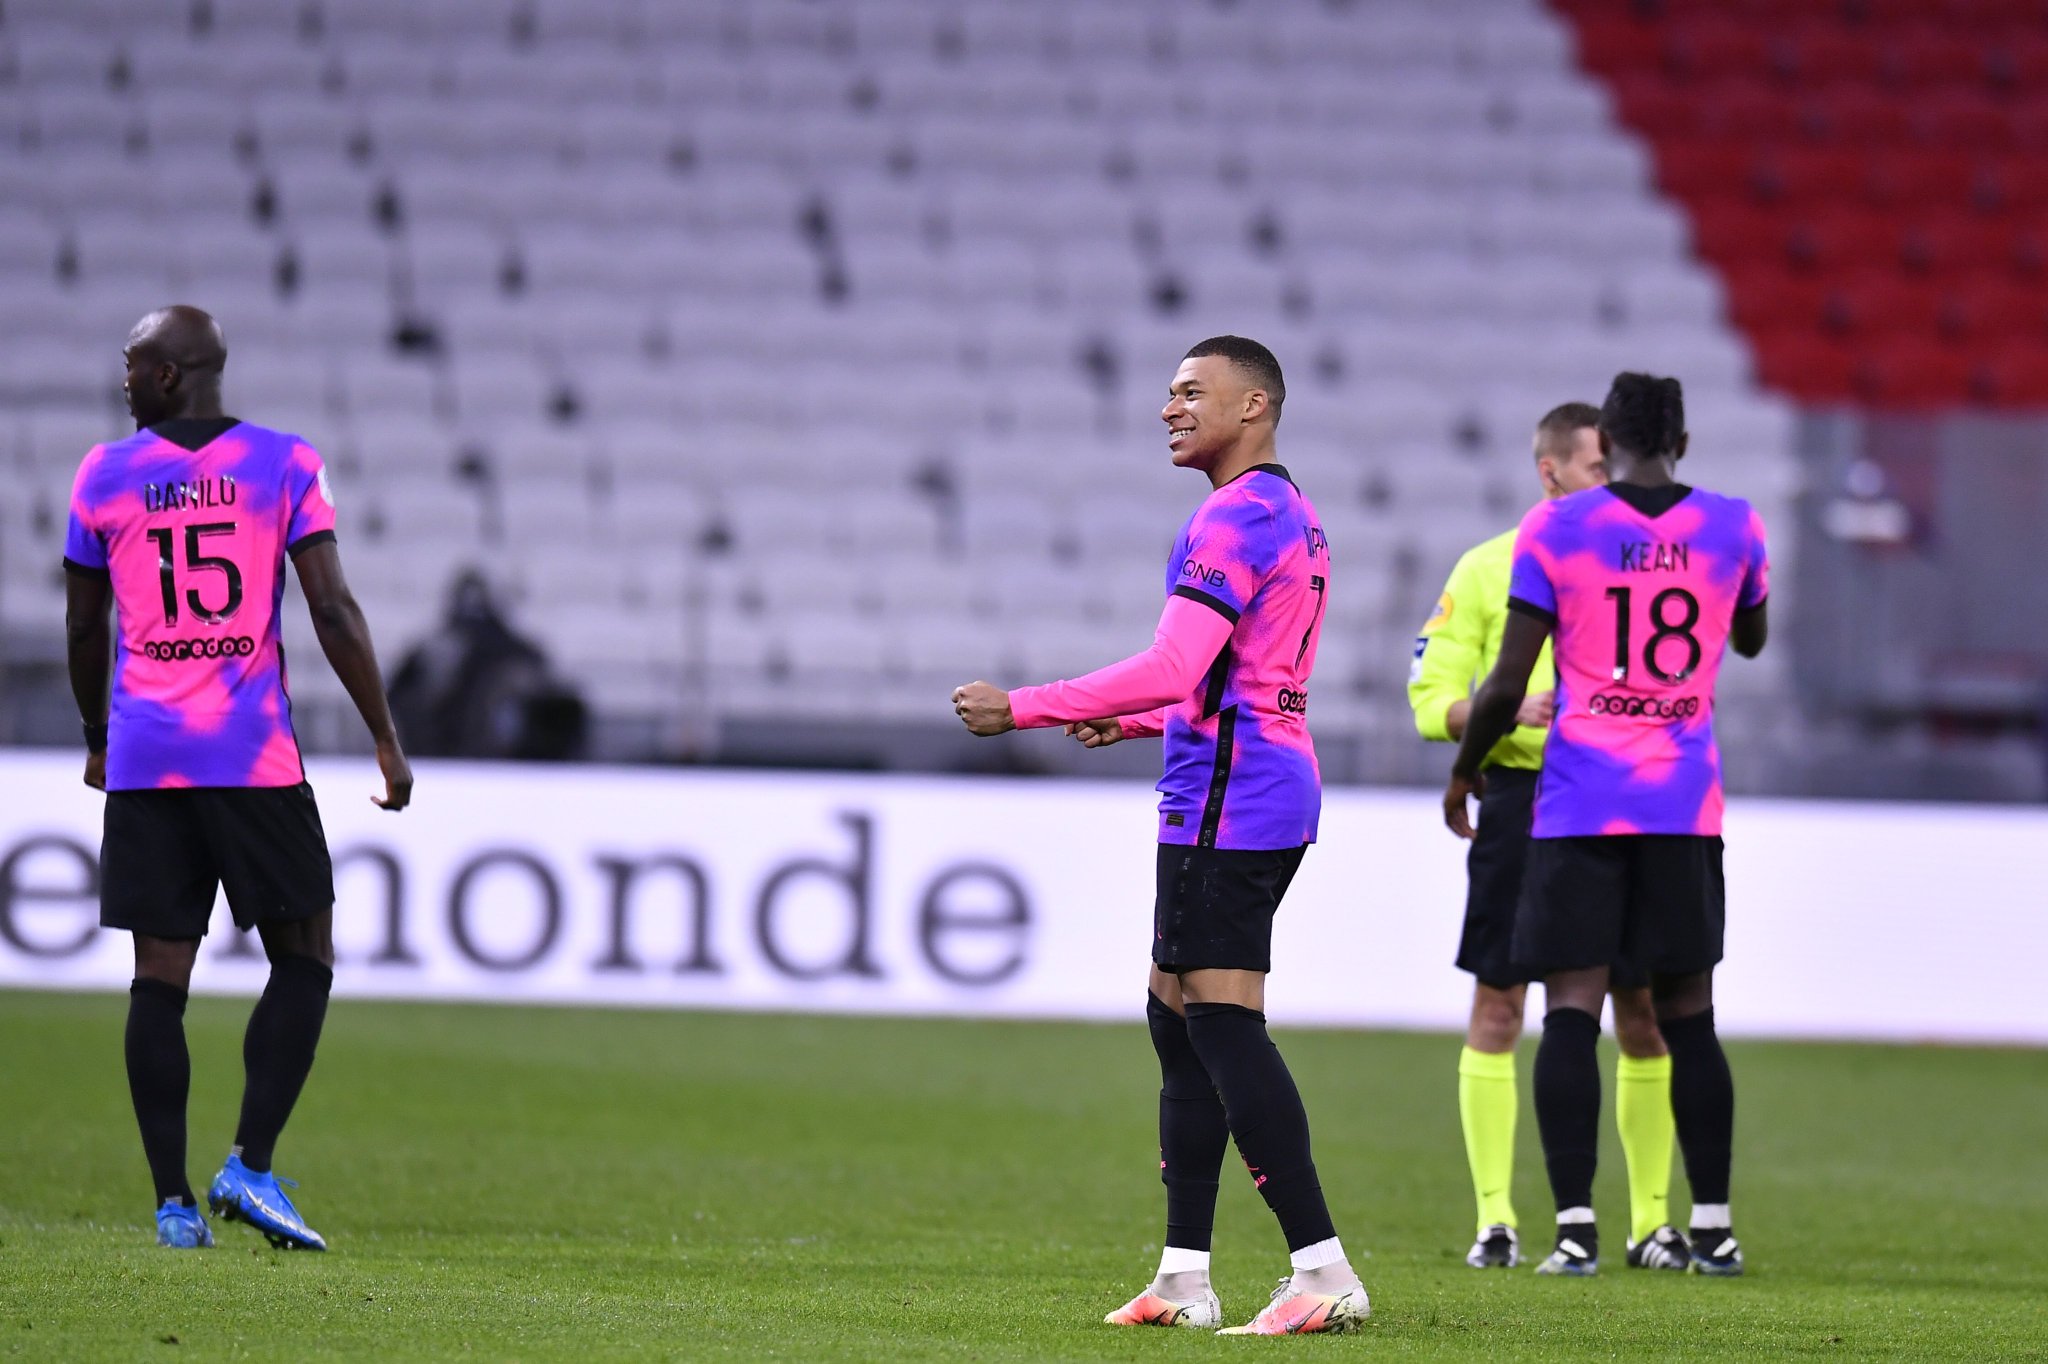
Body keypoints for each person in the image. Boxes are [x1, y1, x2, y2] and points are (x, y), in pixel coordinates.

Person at [952, 337, 1365, 1335]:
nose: (1169, 407)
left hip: (1234, 797)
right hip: (1235, 781)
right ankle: (1183, 1276)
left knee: (1219, 1021)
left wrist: (1028, 705)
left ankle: (1321, 1268)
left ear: (1253, 403)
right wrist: (1134, 721)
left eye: (1192, 392)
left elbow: (1175, 661)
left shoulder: (1233, 513)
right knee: (1176, 1019)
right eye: (1169, 392)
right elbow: (1234, 672)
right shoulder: (1288, 511)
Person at [62, 306, 413, 1251]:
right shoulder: (284, 465)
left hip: (147, 756)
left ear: (174, 375)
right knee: (304, 955)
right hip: (250, 754)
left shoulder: (102, 476)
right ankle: (249, 1166)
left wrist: (99, 734)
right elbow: (332, 610)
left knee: (157, 982)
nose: (123, 381)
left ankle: (174, 1204)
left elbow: (86, 629)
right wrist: (385, 737)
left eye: (134, 366)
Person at [1442, 372, 1768, 1278]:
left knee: (1572, 1011)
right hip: (1683, 798)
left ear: (1608, 442)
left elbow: (1506, 681)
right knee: (1690, 1018)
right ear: (1684, 443)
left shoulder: (1556, 528)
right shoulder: (1735, 524)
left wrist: (1465, 772)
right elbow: (1751, 638)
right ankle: (1711, 1228)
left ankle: (1577, 1229)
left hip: (1581, 800)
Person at [1409, 403, 1685, 1273]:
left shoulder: (1637, 569)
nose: (1614, 484)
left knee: (1639, 1008)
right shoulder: (1489, 568)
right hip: (1523, 799)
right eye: (1599, 469)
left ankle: (1651, 1222)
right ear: (1553, 471)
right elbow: (1429, 698)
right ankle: (1496, 1218)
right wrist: (1494, 712)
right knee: (1501, 1004)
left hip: (1620, 798)